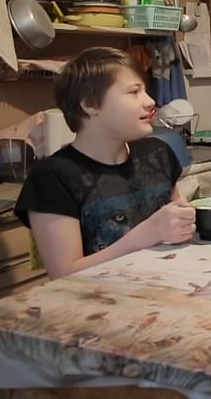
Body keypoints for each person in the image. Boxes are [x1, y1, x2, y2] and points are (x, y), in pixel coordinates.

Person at [15, 47, 195, 279]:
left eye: (145, 90)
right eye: (134, 92)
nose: (150, 101)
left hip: (167, 285)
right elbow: (64, 274)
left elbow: (176, 222)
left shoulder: (157, 153)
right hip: (99, 297)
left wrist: (191, 221)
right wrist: (148, 233)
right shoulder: (51, 178)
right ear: (90, 104)